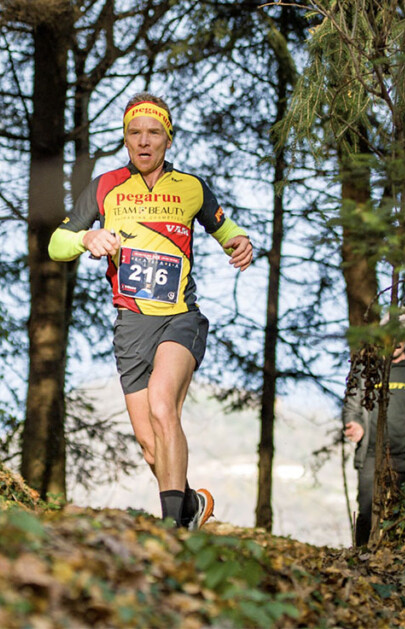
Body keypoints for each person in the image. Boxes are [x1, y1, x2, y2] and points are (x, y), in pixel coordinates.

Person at [48, 93, 252, 529]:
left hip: (180, 317)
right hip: (131, 325)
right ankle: (191, 505)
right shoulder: (105, 187)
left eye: (153, 133)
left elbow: (226, 229)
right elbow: (56, 243)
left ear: (168, 139)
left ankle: (172, 531)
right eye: (134, 133)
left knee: (163, 404)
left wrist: (240, 242)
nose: (144, 142)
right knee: (149, 445)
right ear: (125, 140)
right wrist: (87, 239)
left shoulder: (191, 188)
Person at [342, 321, 405, 546]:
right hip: (370, 453)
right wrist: (353, 423)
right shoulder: (367, 368)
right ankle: (361, 555)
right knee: (366, 510)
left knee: (404, 511)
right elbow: (351, 402)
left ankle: (396, 559)